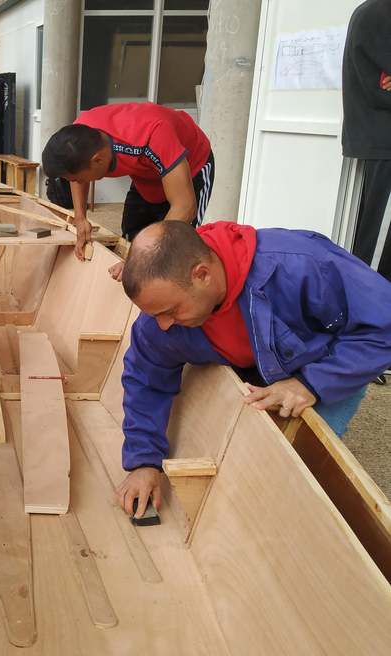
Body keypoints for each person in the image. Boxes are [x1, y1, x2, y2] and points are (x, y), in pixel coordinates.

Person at [116, 220, 391, 521]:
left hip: (332, 365)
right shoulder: (163, 315)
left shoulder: (299, 264)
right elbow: (146, 378)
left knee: (302, 472)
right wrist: (143, 461)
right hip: (257, 364)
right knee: (252, 471)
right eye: (155, 315)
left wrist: (310, 384)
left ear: (202, 275)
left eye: (170, 312)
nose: (164, 325)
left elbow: (384, 324)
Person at [41, 102, 214, 276]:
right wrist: (80, 217)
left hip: (190, 168)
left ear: (97, 160)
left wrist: (138, 260)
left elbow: (184, 207)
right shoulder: (79, 135)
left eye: (78, 179)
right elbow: (75, 173)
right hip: (147, 170)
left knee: (174, 249)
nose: (77, 182)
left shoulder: (154, 135)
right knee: (133, 231)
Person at [342, 0, 391, 281]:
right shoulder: (377, 14)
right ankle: (367, 317)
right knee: (376, 251)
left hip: (381, 147)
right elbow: (378, 89)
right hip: (384, 146)